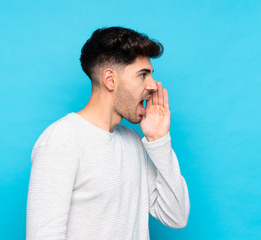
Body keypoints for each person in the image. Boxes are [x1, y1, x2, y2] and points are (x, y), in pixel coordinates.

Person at [26, 26, 190, 240]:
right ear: (110, 79)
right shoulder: (61, 141)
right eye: (143, 74)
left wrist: (159, 141)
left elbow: (176, 216)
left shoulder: (133, 142)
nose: (152, 85)